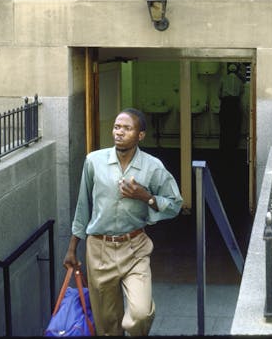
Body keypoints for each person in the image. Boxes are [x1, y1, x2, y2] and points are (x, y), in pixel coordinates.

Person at [63, 108, 183, 336]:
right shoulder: (94, 161)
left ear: (140, 135)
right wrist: (72, 249)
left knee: (139, 315)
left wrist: (145, 196)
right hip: (99, 250)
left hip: (135, 248)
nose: (119, 132)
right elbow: (83, 207)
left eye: (127, 128)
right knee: (108, 326)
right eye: (117, 127)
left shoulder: (152, 166)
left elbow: (175, 203)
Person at [218, 63, 244, 154]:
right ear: (236, 71)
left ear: (228, 70)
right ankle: (233, 150)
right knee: (234, 128)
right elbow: (241, 93)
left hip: (225, 104)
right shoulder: (240, 81)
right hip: (235, 105)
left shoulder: (223, 79)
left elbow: (219, 94)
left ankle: (223, 150)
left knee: (224, 127)